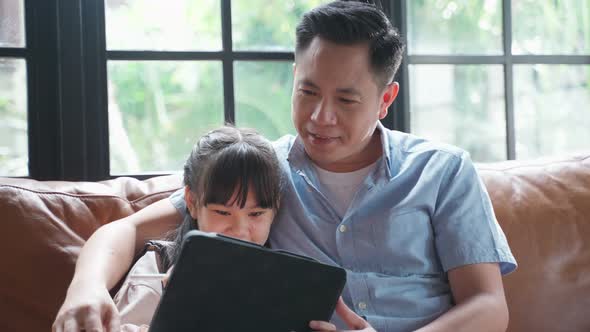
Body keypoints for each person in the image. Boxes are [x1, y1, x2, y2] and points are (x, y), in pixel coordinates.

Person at [53, 1, 517, 332]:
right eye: (308, 91)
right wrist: (86, 289)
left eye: (346, 100)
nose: (320, 118)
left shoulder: (444, 172)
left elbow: (488, 306)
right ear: (294, 78)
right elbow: (127, 230)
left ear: (385, 100)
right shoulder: (261, 169)